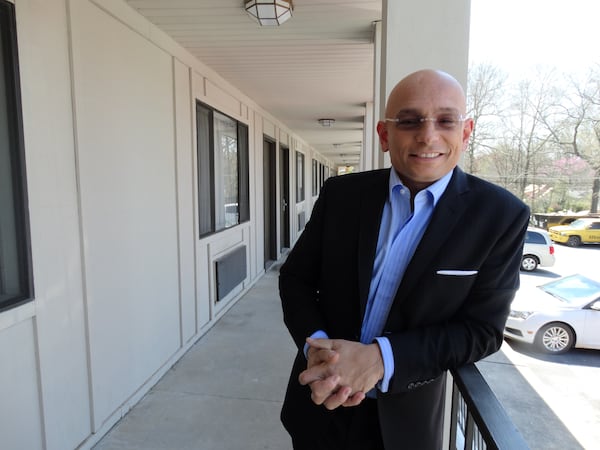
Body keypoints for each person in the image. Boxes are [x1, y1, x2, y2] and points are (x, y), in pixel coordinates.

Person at [278, 69, 530, 450]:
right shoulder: (342, 196)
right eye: (409, 121)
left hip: (403, 425)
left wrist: (381, 359)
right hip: (318, 405)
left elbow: (483, 329)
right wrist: (318, 349)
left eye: (446, 120)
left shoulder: (500, 216)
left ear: (465, 132)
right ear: (384, 135)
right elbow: (295, 278)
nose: (427, 135)